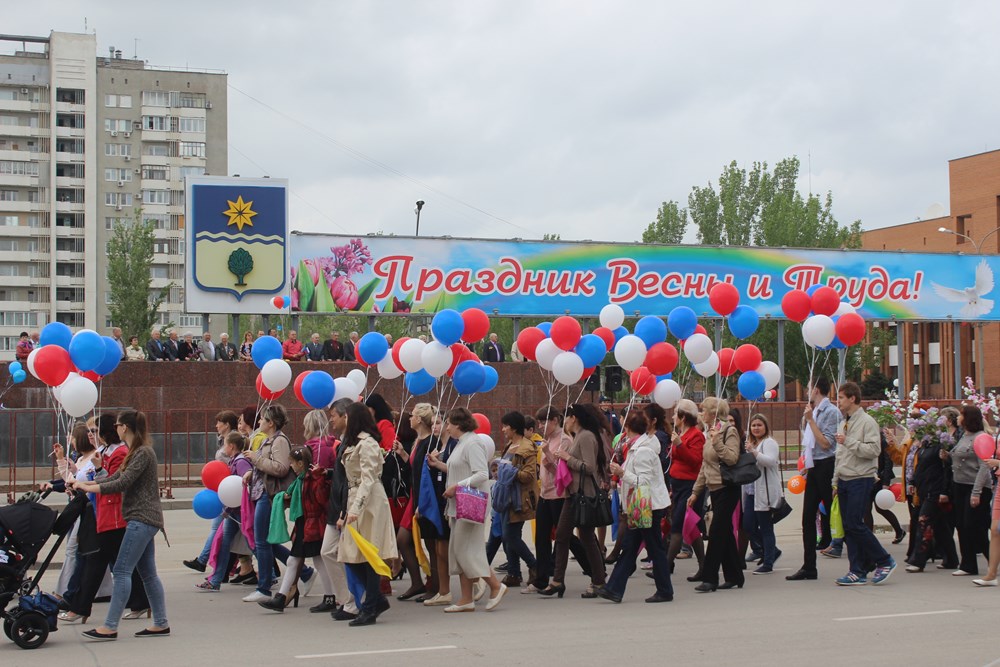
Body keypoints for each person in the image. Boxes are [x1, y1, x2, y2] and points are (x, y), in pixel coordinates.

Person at [70, 410, 169, 641]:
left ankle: (110, 626)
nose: (115, 429)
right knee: (148, 574)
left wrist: (87, 486)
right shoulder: (134, 452)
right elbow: (114, 478)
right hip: (143, 519)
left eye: (117, 425)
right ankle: (161, 623)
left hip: (141, 519)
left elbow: (122, 483)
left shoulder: (142, 452)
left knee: (123, 571)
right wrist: (87, 483)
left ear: (124, 427)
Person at [60, 414, 149, 624]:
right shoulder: (106, 451)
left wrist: (92, 477)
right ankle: (140, 602)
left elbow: (114, 483)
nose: (91, 435)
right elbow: (98, 477)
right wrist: (79, 483)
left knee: (96, 562)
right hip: (103, 512)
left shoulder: (121, 452)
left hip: (114, 515)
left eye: (95, 430)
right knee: (121, 564)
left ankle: (80, 608)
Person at [435, 407, 506, 612]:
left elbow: (482, 474)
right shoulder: (462, 443)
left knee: (466, 550)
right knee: (460, 551)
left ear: (458, 424)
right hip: (458, 505)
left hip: (469, 505)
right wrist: (439, 465)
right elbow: (459, 469)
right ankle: (466, 599)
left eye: (449, 423)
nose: (447, 427)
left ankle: (495, 585)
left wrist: (456, 487)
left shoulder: (473, 443)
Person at [597, 412, 673, 604]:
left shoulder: (642, 450)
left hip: (648, 504)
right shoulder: (639, 447)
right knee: (633, 547)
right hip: (644, 504)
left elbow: (643, 481)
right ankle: (614, 588)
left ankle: (663, 590)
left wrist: (622, 473)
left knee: (651, 548)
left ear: (629, 428)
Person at [243, 404, 313, 602]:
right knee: (266, 541)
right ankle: (305, 572)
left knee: (261, 541)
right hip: (262, 492)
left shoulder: (279, 441)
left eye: (262, 419)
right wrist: (252, 472)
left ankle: (264, 587)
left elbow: (281, 468)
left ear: (271, 423)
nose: (259, 422)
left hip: (269, 494)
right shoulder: (269, 440)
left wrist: (256, 460)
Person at [337, 402, 398, 626]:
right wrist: (348, 509)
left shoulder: (368, 443)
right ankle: (376, 599)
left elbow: (368, 479)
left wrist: (355, 508)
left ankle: (371, 605)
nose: (344, 420)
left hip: (370, 502)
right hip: (357, 498)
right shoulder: (356, 442)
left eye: (347, 417)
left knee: (369, 554)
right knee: (350, 554)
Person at [541, 403, 609, 598]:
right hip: (574, 494)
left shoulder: (586, 436)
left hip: (583, 494)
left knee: (582, 538)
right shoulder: (579, 435)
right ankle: (559, 580)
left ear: (574, 418)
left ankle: (597, 580)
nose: (565, 422)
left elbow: (589, 467)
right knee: (565, 535)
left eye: (567, 417)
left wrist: (567, 457)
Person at [833, 382, 897, 585]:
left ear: (852, 398)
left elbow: (874, 450)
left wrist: (848, 441)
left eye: (841, 397)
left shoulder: (867, 422)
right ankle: (857, 570)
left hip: (860, 478)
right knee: (849, 527)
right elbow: (839, 455)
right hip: (844, 479)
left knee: (855, 523)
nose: (838, 401)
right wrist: (835, 481)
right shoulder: (844, 422)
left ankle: (884, 560)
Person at [260, 446, 335, 612]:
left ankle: (327, 597)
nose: (291, 466)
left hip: (311, 524)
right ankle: (283, 597)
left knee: (312, 560)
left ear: (301, 463)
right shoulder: (301, 480)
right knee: (303, 560)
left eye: (293, 463)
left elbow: (321, 500)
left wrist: (318, 480)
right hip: (306, 524)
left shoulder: (311, 479)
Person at [687, 397, 742, 592]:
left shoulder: (728, 431)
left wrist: (717, 441)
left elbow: (732, 458)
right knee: (724, 532)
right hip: (714, 488)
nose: (701, 414)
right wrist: (696, 491)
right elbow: (705, 465)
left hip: (727, 487)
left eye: (704, 410)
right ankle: (735, 575)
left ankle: (710, 578)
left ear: (713, 413)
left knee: (717, 533)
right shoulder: (710, 432)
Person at [787, 377, 840, 582]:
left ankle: (864, 559)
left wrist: (810, 420)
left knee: (841, 515)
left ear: (816, 389)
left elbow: (826, 443)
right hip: (814, 467)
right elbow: (809, 443)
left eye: (809, 388)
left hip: (827, 465)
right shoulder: (814, 410)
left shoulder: (830, 412)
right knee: (808, 517)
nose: (807, 391)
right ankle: (809, 566)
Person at [194, 432, 255, 592]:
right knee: (223, 543)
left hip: (241, 511)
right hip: (233, 511)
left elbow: (244, 485)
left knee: (254, 544)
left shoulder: (241, 462)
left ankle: (270, 575)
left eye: (225, 445)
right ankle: (215, 580)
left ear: (231, 446)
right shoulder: (235, 461)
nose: (223, 448)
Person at [906, 406, 959, 573]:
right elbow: (920, 465)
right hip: (924, 489)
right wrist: (913, 481)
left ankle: (918, 560)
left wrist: (944, 491)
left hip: (935, 490)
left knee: (924, 522)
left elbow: (946, 469)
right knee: (941, 526)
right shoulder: (926, 444)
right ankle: (951, 559)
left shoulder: (942, 444)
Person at [321, 399, 361, 620]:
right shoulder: (345, 440)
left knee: (345, 554)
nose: (331, 420)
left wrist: (345, 512)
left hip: (345, 507)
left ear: (346, 416)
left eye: (334, 415)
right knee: (328, 551)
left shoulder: (355, 441)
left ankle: (353, 601)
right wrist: (328, 473)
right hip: (337, 505)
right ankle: (347, 600)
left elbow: (352, 480)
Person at [184, 411, 238, 572]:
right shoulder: (223, 440)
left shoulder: (233, 440)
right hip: (222, 490)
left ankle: (204, 561)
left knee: (220, 529)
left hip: (228, 491)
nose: (216, 425)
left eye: (219, 422)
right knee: (227, 531)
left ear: (227, 424)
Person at [948, 405, 992, 576]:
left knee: (975, 527)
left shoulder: (981, 437)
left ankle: (993, 559)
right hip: (959, 485)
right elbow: (960, 456)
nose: (958, 418)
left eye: (961, 415)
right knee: (961, 525)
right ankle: (968, 564)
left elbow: (984, 467)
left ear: (968, 418)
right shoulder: (964, 436)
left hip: (975, 487)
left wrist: (976, 492)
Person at [402, 404, 439, 601]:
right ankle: (418, 582)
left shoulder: (430, 442)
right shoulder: (418, 441)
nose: (410, 418)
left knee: (432, 544)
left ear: (419, 419)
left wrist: (421, 503)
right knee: (403, 539)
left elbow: (427, 474)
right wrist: (403, 455)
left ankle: (435, 586)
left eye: (413, 415)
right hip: (414, 495)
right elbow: (415, 468)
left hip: (424, 497)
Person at [496, 412, 538, 588]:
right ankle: (514, 573)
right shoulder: (510, 445)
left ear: (513, 428)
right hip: (506, 497)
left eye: (505, 426)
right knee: (509, 537)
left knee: (510, 536)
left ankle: (534, 565)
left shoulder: (526, 448)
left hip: (519, 499)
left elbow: (529, 475)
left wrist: (508, 470)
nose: (503, 429)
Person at [668, 399, 706, 576]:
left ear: (683, 417)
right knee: (692, 528)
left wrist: (679, 445)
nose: (673, 417)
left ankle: (665, 566)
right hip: (677, 484)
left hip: (689, 485)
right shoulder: (681, 434)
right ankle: (703, 566)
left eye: (676, 414)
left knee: (678, 525)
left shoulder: (696, 435)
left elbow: (695, 460)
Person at [745, 414, 782, 574]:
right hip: (751, 491)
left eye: (759, 425)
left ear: (766, 427)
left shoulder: (769, 442)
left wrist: (753, 452)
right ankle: (772, 550)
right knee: (748, 525)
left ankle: (768, 563)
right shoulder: (751, 443)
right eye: (753, 425)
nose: (756, 428)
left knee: (766, 527)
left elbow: (770, 461)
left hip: (764, 492)